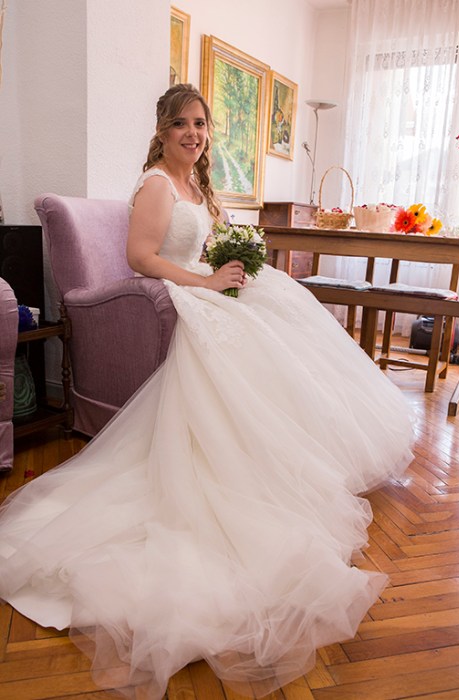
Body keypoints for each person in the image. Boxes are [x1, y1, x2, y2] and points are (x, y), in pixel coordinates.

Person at [0, 84, 414, 700]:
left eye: (200, 124)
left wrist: (235, 269)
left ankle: (285, 460)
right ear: (162, 131)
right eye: (181, 125)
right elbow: (140, 258)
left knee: (284, 315)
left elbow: (202, 245)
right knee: (253, 338)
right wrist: (206, 284)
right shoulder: (156, 185)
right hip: (186, 292)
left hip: (205, 283)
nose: (193, 134)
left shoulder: (195, 184)